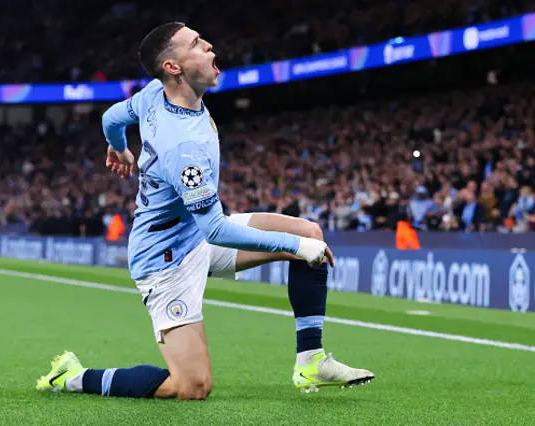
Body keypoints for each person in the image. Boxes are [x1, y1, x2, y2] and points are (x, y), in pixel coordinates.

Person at [35, 22, 373, 400]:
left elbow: (111, 118)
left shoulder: (153, 94)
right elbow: (215, 229)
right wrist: (293, 248)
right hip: (166, 261)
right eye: (196, 44)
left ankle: (311, 362)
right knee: (192, 387)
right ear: (173, 68)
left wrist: (119, 148)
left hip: (195, 234)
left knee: (309, 233)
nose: (210, 46)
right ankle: (74, 376)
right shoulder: (184, 147)